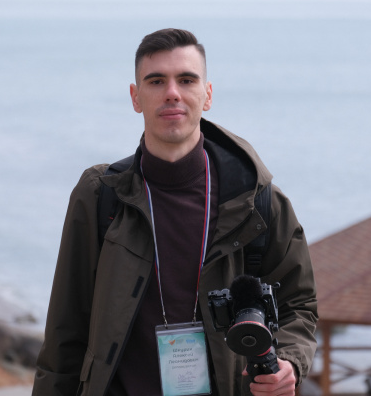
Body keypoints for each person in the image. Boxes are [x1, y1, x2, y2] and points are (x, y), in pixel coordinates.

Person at [32, 28, 317, 396]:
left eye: (186, 80)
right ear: (135, 97)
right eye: (156, 81)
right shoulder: (100, 196)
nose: (172, 92)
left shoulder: (258, 202)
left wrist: (290, 361)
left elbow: (299, 303)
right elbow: (64, 330)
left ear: (207, 94)